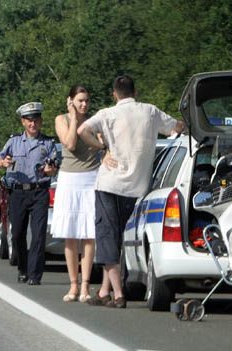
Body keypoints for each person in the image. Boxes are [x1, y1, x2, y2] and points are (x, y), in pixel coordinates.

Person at [77, 74, 184, 308]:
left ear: (115, 94)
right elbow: (176, 127)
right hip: (137, 188)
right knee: (119, 239)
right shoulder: (150, 111)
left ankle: (117, 294)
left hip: (109, 184)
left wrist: (103, 147)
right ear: (135, 92)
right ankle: (104, 291)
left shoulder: (108, 113)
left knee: (107, 238)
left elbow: (82, 131)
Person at [0, 102, 58, 285]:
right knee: (17, 234)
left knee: (38, 235)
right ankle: (23, 268)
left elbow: (53, 169)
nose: (33, 124)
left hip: (39, 192)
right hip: (18, 193)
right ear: (23, 122)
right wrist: (3, 163)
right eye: (29, 121)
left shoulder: (48, 143)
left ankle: (35, 275)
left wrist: (49, 170)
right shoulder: (13, 142)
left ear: (41, 121)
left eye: (36, 120)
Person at [51, 85, 100, 302]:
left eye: (86, 100)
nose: (83, 104)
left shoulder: (94, 121)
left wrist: (106, 154)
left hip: (91, 178)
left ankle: (85, 286)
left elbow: (103, 144)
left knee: (89, 234)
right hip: (69, 179)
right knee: (70, 235)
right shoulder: (61, 119)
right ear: (70, 100)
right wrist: (72, 117)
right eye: (79, 100)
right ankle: (73, 284)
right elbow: (70, 143)